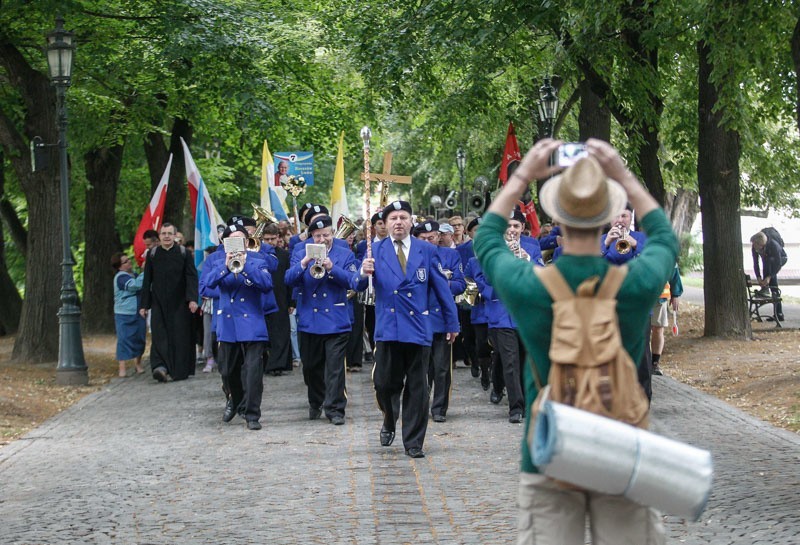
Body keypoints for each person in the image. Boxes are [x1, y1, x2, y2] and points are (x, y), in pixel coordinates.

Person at [474, 138, 675, 545]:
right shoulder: (632, 284)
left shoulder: (530, 286)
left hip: (549, 452)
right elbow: (666, 240)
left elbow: (487, 240)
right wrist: (623, 174)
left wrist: (522, 177)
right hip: (621, 446)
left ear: (558, 222)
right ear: (607, 220)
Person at [359, 200, 459, 458]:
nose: (399, 222)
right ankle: (389, 419)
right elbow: (356, 285)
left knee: (418, 387)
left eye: (403, 217)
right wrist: (363, 272)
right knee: (384, 383)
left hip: (417, 327)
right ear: (387, 224)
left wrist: (452, 323)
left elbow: (441, 288)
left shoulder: (426, 250)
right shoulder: (375, 249)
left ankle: (413, 441)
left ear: (411, 221)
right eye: (393, 218)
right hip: (388, 327)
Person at [285, 215, 360, 425]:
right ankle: (316, 401)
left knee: (335, 368)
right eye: (317, 236)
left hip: (335, 319)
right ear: (311, 236)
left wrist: (331, 267)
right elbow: (288, 279)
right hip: (309, 317)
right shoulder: (301, 251)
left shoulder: (344, 253)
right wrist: (303, 264)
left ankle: (335, 409)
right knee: (311, 367)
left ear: (332, 233)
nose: (322, 239)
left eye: (326, 235)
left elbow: (353, 281)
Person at [206, 224, 274, 431]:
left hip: (252, 323)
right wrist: (225, 267)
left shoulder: (258, 260)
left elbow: (266, 284)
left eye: (241, 240)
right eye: (231, 240)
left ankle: (252, 414)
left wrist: (246, 266)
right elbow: (206, 285)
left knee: (253, 371)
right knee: (226, 371)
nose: (237, 244)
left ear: (247, 242)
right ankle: (236, 399)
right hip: (228, 323)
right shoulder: (216, 261)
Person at [413, 220, 465, 423]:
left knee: (442, 368)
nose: (429, 241)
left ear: (439, 236)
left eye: (432, 237)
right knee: (421, 368)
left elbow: (461, 283)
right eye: (423, 239)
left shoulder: (450, 255)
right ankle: (420, 404)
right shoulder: (412, 257)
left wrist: (442, 284)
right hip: (420, 320)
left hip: (442, 317)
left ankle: (439, 408)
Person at [139, 223, 199, 382]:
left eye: (169, 233)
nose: (166, 236)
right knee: (159, 334)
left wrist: (192, 299)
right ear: (159, 236)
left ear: (174, 235)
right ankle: (160, 367)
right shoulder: (153, 254)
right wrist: (144, 305)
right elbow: (147, 281)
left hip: (179, 302)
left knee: (180, 336)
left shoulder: (183, 253)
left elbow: (191, 277)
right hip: (158, 302)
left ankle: (179, 370)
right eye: (163, 233)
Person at [111, 253, 146, 377]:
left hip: (138, 312)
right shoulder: (121, 277)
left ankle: (138, 364)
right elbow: (135, 285)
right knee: (124, 339)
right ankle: (122, 368)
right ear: (120, 266)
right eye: (126, 261)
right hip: (124, 313)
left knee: (140, 338)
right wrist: (145, 271)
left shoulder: (135, 275)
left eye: (129, 260)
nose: (129, 262)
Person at [651, 263, 683, 376]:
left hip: (659, 298)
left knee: (658, 329)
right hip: (639, 297)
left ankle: (654, 363)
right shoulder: (638, 247)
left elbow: (674, 274)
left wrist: (675, 295)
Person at [751, 231, 787, 321]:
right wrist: (758, 277)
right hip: (769, 262)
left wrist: (769, 277)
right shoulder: (754, 246)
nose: (756, 249)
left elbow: (778, 263)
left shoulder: (773, 245)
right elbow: (756, 263)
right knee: (766, 261)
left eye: (757, 246)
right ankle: (778, 313)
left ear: (761, 244)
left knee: (769, 261)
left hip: (781, 259)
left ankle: (778, 313)